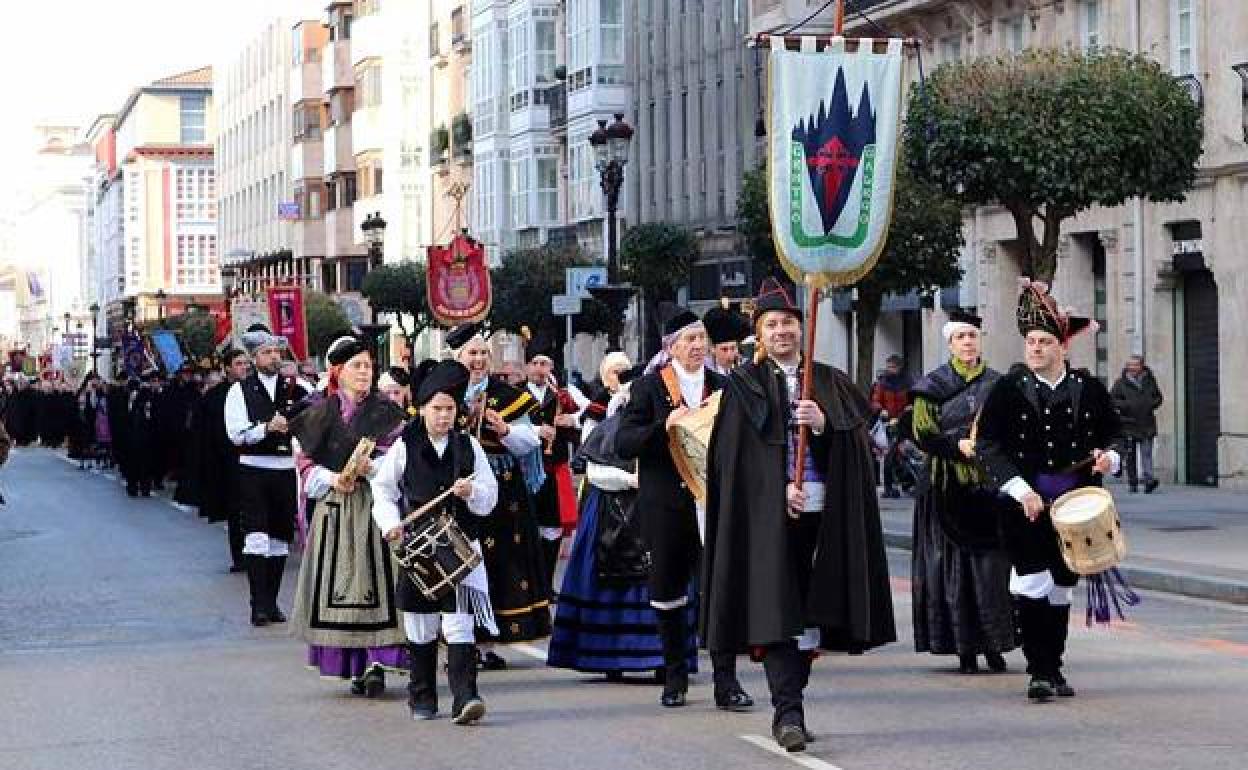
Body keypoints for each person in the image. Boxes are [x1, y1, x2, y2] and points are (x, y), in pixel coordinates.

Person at [702, 278, 896, 752]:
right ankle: (787, 713)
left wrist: (825, 425)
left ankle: (794, 702)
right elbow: (733, 462)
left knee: (812, 615)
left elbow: (857, 446)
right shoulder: (742, 387)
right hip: (771, 519)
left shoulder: (828, 380)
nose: (782, 331)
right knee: (777, 611)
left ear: (800, 328)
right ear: (759, 334)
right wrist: (775, 493)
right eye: (772, 324)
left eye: (788, 322)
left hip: (824, 512)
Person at [975, 279, 1122, 702]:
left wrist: (1108, 458)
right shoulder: (1008, 389)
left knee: (1061, 584)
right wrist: (1020, 489)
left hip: (1077, 508)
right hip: (1024, 504)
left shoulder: (1089, 389)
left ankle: (1053, 665)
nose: (1034, 348)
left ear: (1063, 347)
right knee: (1033, 581)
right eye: (1030, 342)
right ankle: (1038, 671)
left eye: (1043, 342)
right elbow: (987, 444)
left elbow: (1115, 437)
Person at [616, 309, 753, 712]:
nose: (696, 346)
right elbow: (624, 442)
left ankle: (726, 682)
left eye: (700, 339)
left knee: (720, 590)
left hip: (715, 505)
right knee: (668, 592)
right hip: (667, 506)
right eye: (687, 339)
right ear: (671, 346)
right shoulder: (648, 389)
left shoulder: (725, 386)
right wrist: (665, 428)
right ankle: (675, 676)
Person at [549, 355, 699, 681]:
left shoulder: (666, 425)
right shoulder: (608, 422)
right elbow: (593, 468)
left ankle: (664, 659)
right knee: (610, 580)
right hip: (611, 515)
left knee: (662, 580)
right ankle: (608, 656)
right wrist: (628, 480)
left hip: (655, 510)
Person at [372, 358, 500, 724]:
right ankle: (422, 698)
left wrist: (471, 489)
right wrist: (391, 524)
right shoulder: (404, 445)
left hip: (459, 548)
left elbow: (490, 497)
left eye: (449, 409)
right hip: (420, 546)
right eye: (436, 409)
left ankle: (466, 697)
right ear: (423, 408)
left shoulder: (468, 446)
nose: (443, 416)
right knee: (421, 626)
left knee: (459, 623)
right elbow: (382, 490)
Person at [289, 335, 409, 697]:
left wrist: (371, 468)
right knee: (342, 585)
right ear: (337, 371)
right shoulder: (316, 414)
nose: (364, 373)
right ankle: (352, 663)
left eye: (369, 366)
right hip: (336, 510)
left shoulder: (385, 412)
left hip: (376, 505)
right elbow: (305, 468)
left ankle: (377, 661)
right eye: (357, 366)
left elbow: (398, 460)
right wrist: (333, 478)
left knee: (381, 582)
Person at [906, 310, 1015, 675]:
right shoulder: (931, 386)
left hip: (988, 488)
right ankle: (963, 648)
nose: (968, 342)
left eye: (973, 336)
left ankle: (996, 644)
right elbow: (923, 433)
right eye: (960, 337)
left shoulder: (999, 384)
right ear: (950, 343)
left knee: (993, 571)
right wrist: (957, 447)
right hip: (945, 489)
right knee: (952, 572)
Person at [449, 324, 552, 669]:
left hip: (502, 488)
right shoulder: (444, 393)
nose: (478, 361)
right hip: (457, 488)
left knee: (501, 561)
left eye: (482, 353)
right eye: (471, 354)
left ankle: (490, 642)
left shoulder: (507, 396)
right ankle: (459, 641)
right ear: (457, 357)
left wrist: (504, 430)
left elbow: (530, 442)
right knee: (459, 562)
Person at [225, 325, 311, 626]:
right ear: (254, 357)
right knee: (257, 537)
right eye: (267, 352)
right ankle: (257, 604)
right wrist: (265, 428)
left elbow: (315, 422)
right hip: (253, 468)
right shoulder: (240, 390)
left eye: (276, 351)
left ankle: (272, 602)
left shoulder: (298, 386)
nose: (274, 357)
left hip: (286, 469)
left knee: (278, 539)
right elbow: (235, 434)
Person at [523, 331, 580, 587]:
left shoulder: (561, 396)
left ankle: (546, 583)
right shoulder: (515, 395)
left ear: (552, 367)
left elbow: (580, 428)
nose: (538, 369)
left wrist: (569, 423)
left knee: (553, 529)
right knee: (526, 529)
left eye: (543, 363)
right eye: (534, 363)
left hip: (553, 469)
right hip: (524, 470)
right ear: (527, 367)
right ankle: (529, 585)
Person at [187, 350, 249, 571]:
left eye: (245, 363)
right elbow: (204, 433)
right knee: (235, 511)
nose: (243, 368)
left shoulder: (254, 392)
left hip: (253, 459)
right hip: (227, 461)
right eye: (238, 363)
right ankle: (239, 557)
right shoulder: (213, 398)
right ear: (227, 368)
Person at [1110, 355, 1163, 494]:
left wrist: (1150, 404)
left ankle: (1149, 480)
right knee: (1131, 455)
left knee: (1146, 453)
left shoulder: (1149, 381)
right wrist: (1126, 406)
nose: (1132, 368)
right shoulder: (1120, 383)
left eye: (1135, 365)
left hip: (1146, 422)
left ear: (1141, 366)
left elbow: (1158, 397)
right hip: (1129, 424)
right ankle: (1132, 482)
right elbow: (1112, 399)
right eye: (1129, 365)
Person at [871, 354, 913, 498]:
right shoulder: (882, 383)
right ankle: (889, 487)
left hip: (905, 421)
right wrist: (881, 409)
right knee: (890, 455)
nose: (890, 369)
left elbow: (914, 399)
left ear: (899, 368)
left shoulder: (908, 382)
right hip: (888, 422)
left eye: (893, 367)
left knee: (904, 453)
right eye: (888, 366)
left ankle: (907, 483)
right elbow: (876, 400)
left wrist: (910, 407)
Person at [701, 299, 752, 375]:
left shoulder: (748, 368)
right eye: (724, 349)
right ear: (712, 349)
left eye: (733, 348)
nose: (730, 355)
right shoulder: (702, 371)